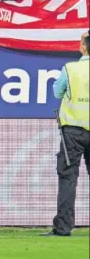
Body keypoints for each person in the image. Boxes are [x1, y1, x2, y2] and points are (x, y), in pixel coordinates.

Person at [41, 32, 89, 237]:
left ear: (84, 47)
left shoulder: (71, 68)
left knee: (68, 178)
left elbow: (57, 92)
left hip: (73, 131)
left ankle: (63, 227)